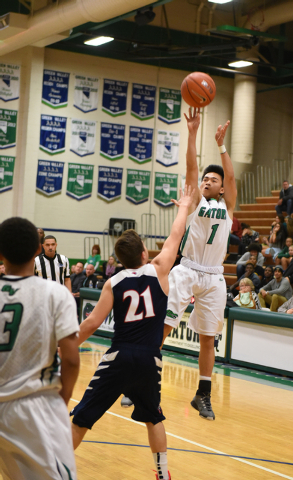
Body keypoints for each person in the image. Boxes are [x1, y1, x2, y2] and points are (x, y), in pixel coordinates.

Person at [70, 185, 194, 480]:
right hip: (151, 358)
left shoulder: (113, 282)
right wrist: (184, 207)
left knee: (83, 417)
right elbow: (175, 237)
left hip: (120, 355)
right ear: (144, 252)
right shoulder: (160, 269)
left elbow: (91, 324)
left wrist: (65, 346)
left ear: (119, 260)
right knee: (154, 417)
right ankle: (163, 474)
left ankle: (54, 469)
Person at [159, 110, 237, 420]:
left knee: (208, 339)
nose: (207, 181)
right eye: (205, 179)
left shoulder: (227, 207)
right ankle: (139, 381)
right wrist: (193, 133)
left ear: (221, 188)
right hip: (187, 269)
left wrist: (222, 146)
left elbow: (231, 178)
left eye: (213, 180)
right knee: (163, 327)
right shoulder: (195, 200)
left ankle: (202, 395)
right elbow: (192, 167)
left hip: (214, 276)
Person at [0, 217, 80, 480]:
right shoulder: (56, 294)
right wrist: (61, 401)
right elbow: (70, 360)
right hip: (34, 408)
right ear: (37, 249)